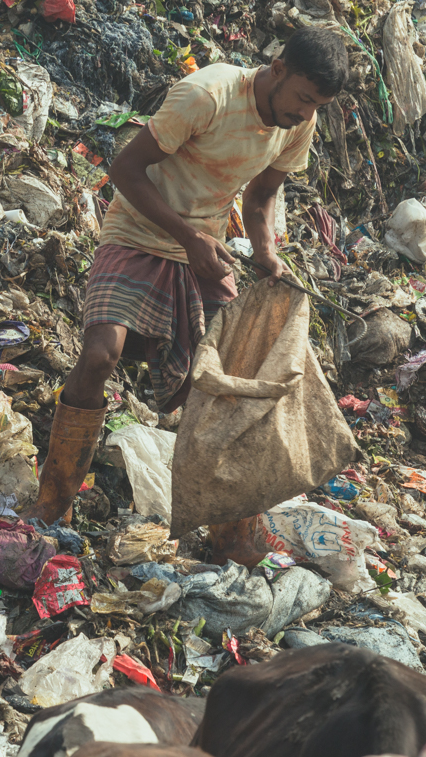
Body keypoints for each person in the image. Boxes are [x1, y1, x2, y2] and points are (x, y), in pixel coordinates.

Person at [23, 27, 349, 526]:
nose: (306, 114)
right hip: (137, 232)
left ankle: (229, 530)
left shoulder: (298, 123)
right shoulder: (208, 95)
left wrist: (265, 252)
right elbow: (125, 170)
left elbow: (260, 196)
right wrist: (188, 237)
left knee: (230, 388)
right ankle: (53, 501)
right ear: (278, 69)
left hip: (206, 253)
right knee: (99, 355)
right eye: (304, 99)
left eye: (316, 107)